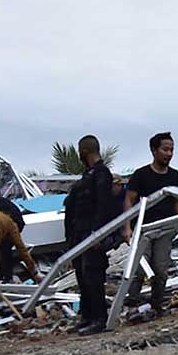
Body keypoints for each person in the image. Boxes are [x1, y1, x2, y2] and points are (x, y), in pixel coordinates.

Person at [124, 131, 178, 314]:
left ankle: (157, 304)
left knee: (161, 268)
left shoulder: (174, 176)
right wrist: (127, 228)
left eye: (171, 150)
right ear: (154, 150)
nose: (169, 153)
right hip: (143, 228)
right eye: (165, 149)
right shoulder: (141, 175)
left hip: (165, 228)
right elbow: (129, 200)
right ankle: (132, 303)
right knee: (140, 267)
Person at [63, 135, 115, 334]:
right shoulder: (87, 176)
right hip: (79, 234)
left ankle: (99, 319)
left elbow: (104, 205)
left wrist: (98, 234)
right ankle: (87, 316)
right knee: (82, 276)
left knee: (92, 275)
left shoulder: (102, 173)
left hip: (92, 234)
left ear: (83, 151)